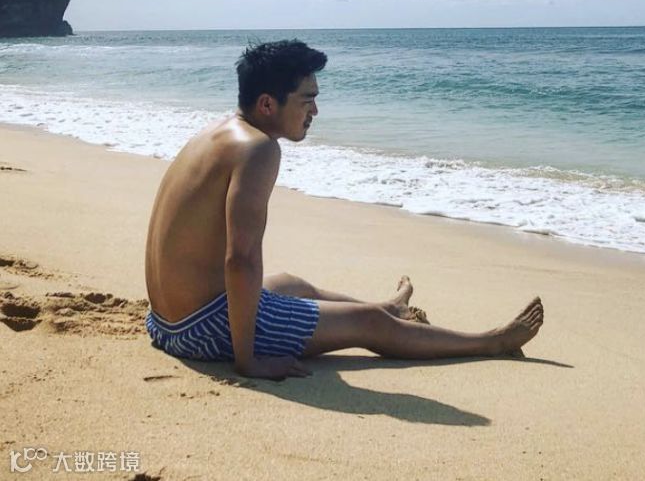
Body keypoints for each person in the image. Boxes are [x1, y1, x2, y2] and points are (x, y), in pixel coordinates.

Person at [144, 40, 543, 380]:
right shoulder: (259, 149)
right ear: (267, 103)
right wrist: (248, 361)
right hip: (204, 330)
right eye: (307, 100)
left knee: (293, 285)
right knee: (369, 326)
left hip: (165, 323)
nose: (315, 112)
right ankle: (492, 341)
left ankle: (389, 307)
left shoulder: (218, 133)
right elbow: (241, 259)